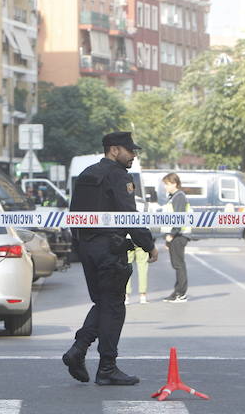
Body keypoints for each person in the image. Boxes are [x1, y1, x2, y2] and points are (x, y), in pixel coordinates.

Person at [62, 132, 158, 386]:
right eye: (130, 151)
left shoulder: (87, 174)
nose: (134, 155)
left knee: (103, 303)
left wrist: (81, 246)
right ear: (114, 150)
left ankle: (78, 350)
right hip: (109, 249)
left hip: (88, 248)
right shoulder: (118, 176)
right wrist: (148, 245)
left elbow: (75, 215)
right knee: (113, 307)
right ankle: (106, 367)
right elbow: (129, 215)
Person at [161, 173, 191, 303]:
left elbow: (178, 218)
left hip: (179, 235)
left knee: (179, 265)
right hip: (176, 235)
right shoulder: (174, 197)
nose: (165, 187)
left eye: (167, 184)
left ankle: (181, 293)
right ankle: (177, 292)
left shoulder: (179, 197)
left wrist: (171, 235)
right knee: (177, 264)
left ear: (174, 183)